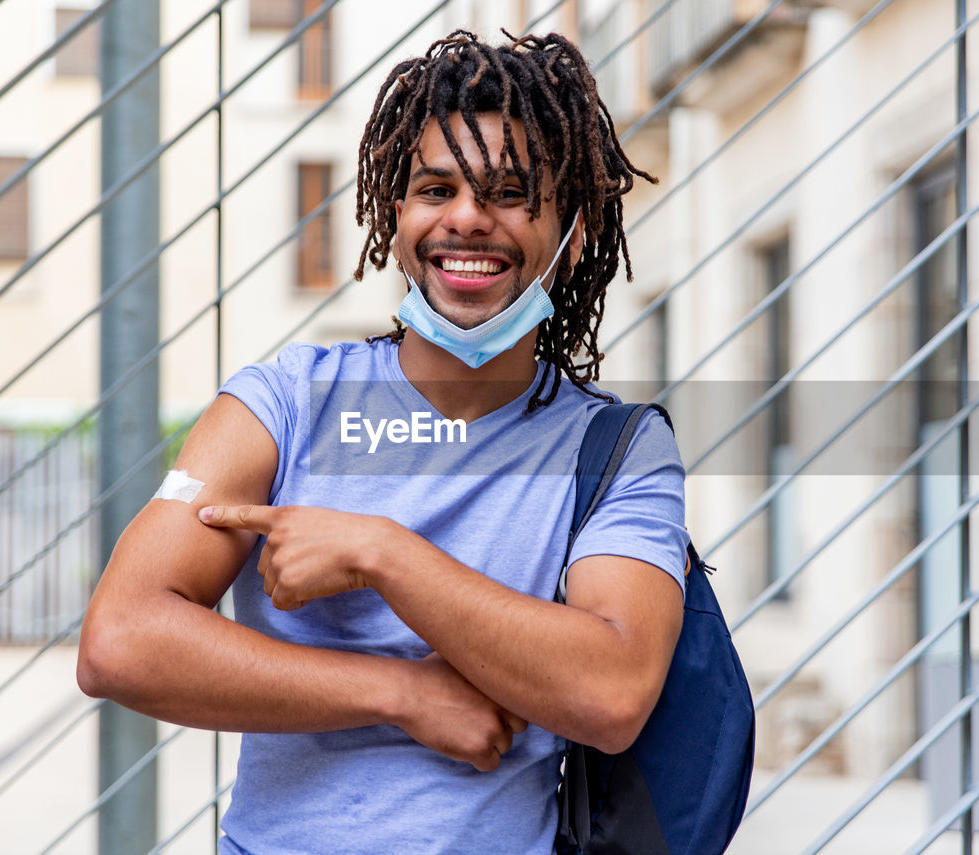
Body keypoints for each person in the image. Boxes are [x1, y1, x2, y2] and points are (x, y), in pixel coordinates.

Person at [78, 30, 688, 855]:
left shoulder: (616, 452)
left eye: (510, 193)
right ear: (393, 218)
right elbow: (120, 640)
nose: (467, 218)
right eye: (436, 188)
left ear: (574, 232)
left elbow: (613, 692)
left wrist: (381, 552)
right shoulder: (283, 404)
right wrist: (398, 689)